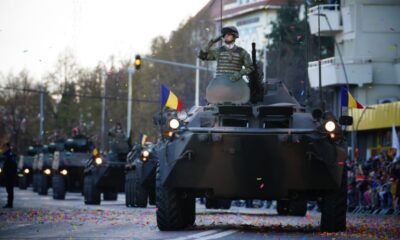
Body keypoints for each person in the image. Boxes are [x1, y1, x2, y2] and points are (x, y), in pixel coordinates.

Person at [198, 26, 254, 104]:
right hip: (220, 88)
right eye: (224, 35)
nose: (226, 36)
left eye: (228, 34)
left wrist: (240, 74)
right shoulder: (219, 51)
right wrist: (211, 42)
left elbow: (250, 68)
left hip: (235, 87)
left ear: (234, 36)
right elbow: (202, 55)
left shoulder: (241, 52)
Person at [2, 143, 17, 208]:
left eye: (4, 147)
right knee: (8, 189)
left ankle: (10, 204)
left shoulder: (10, 155)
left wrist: (11, 174)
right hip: (8, 174)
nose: (3, 149)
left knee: (10, 189)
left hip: (10, 175)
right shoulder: (7, 154)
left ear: (7, 147)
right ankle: (9, 203)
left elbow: (13, 165)